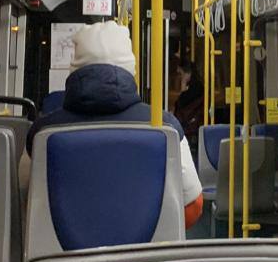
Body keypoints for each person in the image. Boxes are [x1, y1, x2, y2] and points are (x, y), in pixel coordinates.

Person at [26, 21, 204, 228]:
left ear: (74, 69)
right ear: (131, 69)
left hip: (59, 248)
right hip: (147, 247)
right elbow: (193, 206)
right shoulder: (165, 127)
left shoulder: (41, 132)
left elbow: (31, 204)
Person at [172, 58, 203, 161]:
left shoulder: (194, 89)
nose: (180, 77)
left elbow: (181, 103)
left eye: (181, 74)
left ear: (188, 73)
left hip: (189, 124)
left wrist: (183, 85)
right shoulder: (197, 86)